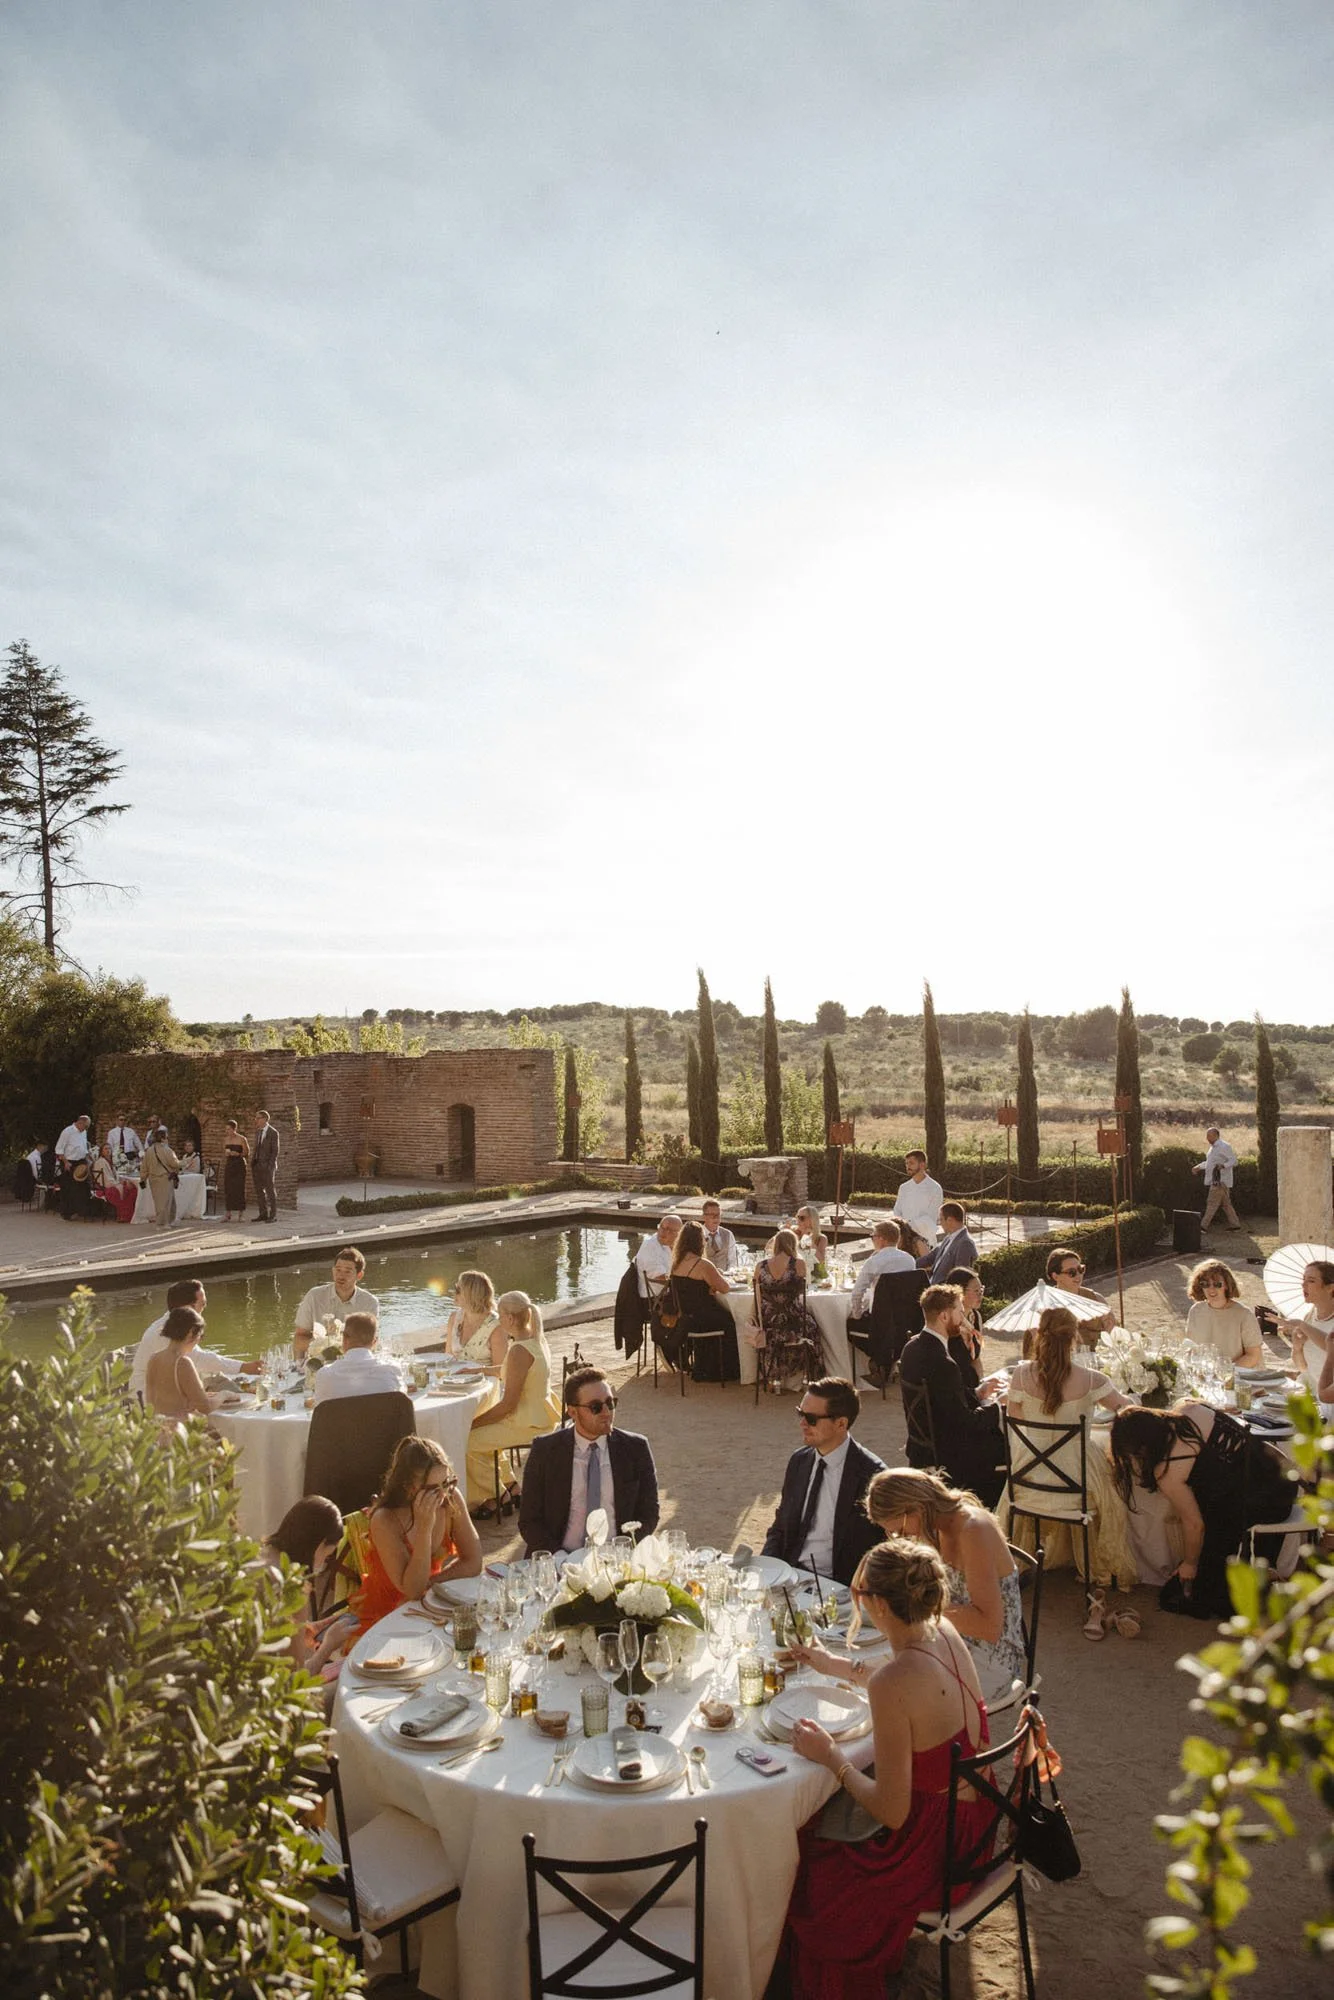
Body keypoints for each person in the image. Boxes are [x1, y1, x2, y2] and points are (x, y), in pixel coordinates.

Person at [779, 1538, 994, 1997]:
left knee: (811, 1855)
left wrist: (830, 1757)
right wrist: (830, 1662)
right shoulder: (944, 1633)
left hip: (940, 1852)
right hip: (978, 1823)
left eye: (859, 1595)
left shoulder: (894, 1683)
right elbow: (893, 1672)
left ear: (877, 1603)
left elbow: (892, 1813)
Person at [1001, 1305, 1139, 1609]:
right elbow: (1126, 1409)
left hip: (1028, 1480)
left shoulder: (1021, 1375)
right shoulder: (1090, 1379)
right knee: (1113, 1487)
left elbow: (1015, 1423)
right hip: (1075, 1481)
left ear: (1040, 1335)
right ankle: (1099, 1568)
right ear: (1074, 1337)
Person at [1110, 1403, 1296, 1619]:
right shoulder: (1191, 1409)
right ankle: (1257, 1575)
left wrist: (1190, 1563)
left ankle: (1251, 1585)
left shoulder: (1167, 1470)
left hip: (1261, 1504)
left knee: (1198, 1593)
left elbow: (1195, 1525)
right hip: (1284, 1479)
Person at [862, 1468, 1026, 1705]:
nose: (897, 1536)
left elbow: (989, 1626)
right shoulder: (933, 1526)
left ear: (916, 1509)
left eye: (898, 1529)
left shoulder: (973, 1529)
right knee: (873, 1662)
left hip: (990, 1658)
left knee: (896, 1688)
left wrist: (917, 1606)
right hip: (947, 1638)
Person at [519, 1366, 660, 1554]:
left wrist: (624, 1550)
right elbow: (529, 1521)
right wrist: (559, 1558)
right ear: (573, 1412)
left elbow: (649, 1513)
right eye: (595, 1407)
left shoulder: (635, 1449)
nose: (606, 1412)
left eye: (610, 1403)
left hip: (616, 1557)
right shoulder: (545, 1451)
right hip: (559, 1557)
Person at [762, 1377, 886, 1586]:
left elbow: (881, 1548)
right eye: (800, 1413)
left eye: (811, 1418)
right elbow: (781, 1526)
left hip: (839, 1586)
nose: (802, 1423)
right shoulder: (799, 1461)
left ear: (841, 1423)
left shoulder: (872, 1476)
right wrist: (765, 1569)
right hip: (791, 1574)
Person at [352, 1437, 482, 1637]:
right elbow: (412, 1590)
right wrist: (424, 1529)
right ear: (409, 1487)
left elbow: (474, 1562)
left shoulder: (450, 1499)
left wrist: (433, 1583)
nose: (443, 1494)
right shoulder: (385, 1520)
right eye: (432, 1489)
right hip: (389, 1616)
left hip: (429, 1605)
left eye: (447, 1482)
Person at [897, 1283, 1007, 1508]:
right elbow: (965, 1422)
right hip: (948, 1455)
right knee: (1006, 1450)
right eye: (959, 1311)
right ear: (945, 1316)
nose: (962, 1318)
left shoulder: (911, 1347)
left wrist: (977, 1392)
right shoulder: (944, 1362)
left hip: (921, 1445)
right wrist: (998, 1407)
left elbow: (941, 1395)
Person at [464, 1290, 561, 1513]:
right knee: (484, 1434)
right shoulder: (535, 1340)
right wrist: (480, 1370)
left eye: (499, 1315)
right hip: (539, 1415)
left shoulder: (519, 1350)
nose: (497, 1320)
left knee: (468, 1441)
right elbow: (511, 1370)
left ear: (509, 1318)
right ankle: (510, 1485)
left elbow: (508, 1405)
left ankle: (498, 1496)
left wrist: (473, 1423)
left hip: (527, 1423)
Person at [129, 1279, 254, 1401]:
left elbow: (200, 1360)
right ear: (188, 1307)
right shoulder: (163, 1332)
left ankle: (241, 1389)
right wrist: (243, 1367)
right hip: (146, 1399)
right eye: (203, 1305)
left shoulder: (175, 1324)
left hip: (166, 1390)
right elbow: (199, 1359)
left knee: (218, 1378)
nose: (204, 1309)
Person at [263, 1495, 345, 1663]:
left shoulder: (260, 1554)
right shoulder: (292, 1585)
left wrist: (302, 1628)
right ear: (320, 1544)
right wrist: (328, 1646)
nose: (323, 1563)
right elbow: (293, 1679)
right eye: (327, 1556)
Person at [665, 1219, 739, 1381]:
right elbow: (725, 1288)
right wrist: (713, 1284)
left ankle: (704, 1365)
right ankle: (725, 1370)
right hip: (705, 1318)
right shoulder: (703, 1264)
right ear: (699, 1241)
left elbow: (693, 1288)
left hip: (688, 1317)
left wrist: (710, 1286)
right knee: (735, 1321)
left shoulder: (676, 1263)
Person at [143, 1306, 240, 1424]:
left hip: (156, 1428)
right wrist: (225, 1394)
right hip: (178, 1432)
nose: (199, 1340)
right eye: (200, 1335)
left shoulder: (154, 1358)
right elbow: (205, 1407)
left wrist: (194, 1398)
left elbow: (153, 1400)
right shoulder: (182, 1363)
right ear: (190, 1333)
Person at [754, 1228, 824, 1383]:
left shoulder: (760, 1266)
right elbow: (804, 1290)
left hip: (770, 1322)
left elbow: (757, 1294)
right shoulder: (798, 1264)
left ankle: (772, 1373)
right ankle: (812, 1374)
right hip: (794, 1321)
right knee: (814, 1327)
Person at [293, 1249, 379, 1361]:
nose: (341, 1276)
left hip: (353, 1364)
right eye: (338, 1270)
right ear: (333, 1271)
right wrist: (323, 1347)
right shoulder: (314, 1296)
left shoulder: (369, 1302)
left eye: (347, 1271)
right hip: (318, 1364)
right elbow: (299, 1339)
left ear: (359, 1275)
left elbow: (371, 1344)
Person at [1184, 1261, 1263, 1368]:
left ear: (1226, 1285)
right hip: (1207, 1374)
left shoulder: (1244, 1315)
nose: (1211, 1289)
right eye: (1205, 1284)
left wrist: (1226, 1371)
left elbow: (1253, 1355)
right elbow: (1191, 1348)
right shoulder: (1196, 1311)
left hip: (1240, 1376)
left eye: (1217, 1284)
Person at [1272, 1256, 1334, 1394]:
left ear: (1330, 1287)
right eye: (1303, 1280)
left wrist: (1301, 1325)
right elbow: (1303, 1368)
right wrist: (1297, 1347)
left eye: (1311, 1281)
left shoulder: (1306, 1323)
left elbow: (1331, 1345)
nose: (1303, 1285)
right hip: (1308, 1391)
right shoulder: (1310, 1315)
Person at [311, 1312, 405, 1402]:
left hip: (342, 1418)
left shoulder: (325, 1375)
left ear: (344, 1339)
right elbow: (401, 1404)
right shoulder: (392, 1370)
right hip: (381, 1418)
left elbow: (320, 1410)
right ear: (374, 1342)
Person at [847, 1219, 917, 1326]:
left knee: (846, 1321)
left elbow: (857, 1293)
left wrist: (857, 1315)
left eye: (873, 1237)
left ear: (881, 1239)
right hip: (905, 1317)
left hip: (879, 1318)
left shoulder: (874, 1262)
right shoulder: (910, 1259)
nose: (872, 1240)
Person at [1045, 1244, 1115, 1334]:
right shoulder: (1046, 1306)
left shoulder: (1097, 1299)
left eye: (1080, 1269)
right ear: (1055, 1276)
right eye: (1071, 1272)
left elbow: (1115, 1335)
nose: (1078, 1275)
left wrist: (1110, 1326)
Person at [442, 1269, 503, 1369]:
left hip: (485, 1382)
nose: (454, 1293)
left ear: (471, 1294)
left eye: (458, 1290)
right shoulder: (454, 1318)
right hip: (455, 1381)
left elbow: (500, 1370)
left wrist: (471, 1374)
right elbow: (447, 1358)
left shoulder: (496, 1326)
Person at [1193, 1126, 1241, 1233]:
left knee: (1211, 1203)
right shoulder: (1213, 1148)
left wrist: (1223, 1166)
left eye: (1209, 1136)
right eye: (1207, 1136)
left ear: (1216, 1135)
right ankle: (1235, 1225)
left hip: (1219, 1181)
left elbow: (1234, 1161)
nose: (1207, 1138)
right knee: (1226, 1204)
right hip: (1219, 1181)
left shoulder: (1224, 1146)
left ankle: (1202, 1227)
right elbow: (1210, 1163)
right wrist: (1198, 1167)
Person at [945, 1267, 986, 1389]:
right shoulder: (947, 1322)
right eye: (976, 1291)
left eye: (981, 1290)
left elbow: (976, 1359)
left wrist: (981, 1384)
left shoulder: (975, 1317)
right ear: (960, 1293)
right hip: (952, 1386)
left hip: (970, 1385)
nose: (981, 1295)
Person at [892, 1148, 943, 1249]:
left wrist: (908, 1227)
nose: (908, 1166)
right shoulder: (904, 1187)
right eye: (906, 1163)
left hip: (925, 1240)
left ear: (922, 1165)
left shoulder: (935, 1188)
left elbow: (931, 1218)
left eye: (911, 1163)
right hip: (904, 1241)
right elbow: (897, 1211)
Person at [142, 1126, 182, 1230]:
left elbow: (144, 1167)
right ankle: (165, 1223)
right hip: (165, 1178)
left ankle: (162, 1222)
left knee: (158, 1202)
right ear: (163, 1139)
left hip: (153, 1179)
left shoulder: (149, 1151)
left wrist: (143, 1179)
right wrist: (185, 1162)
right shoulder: (167, 1150)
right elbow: (175, 1164)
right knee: (166, 1202)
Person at [927, 1201, 979, 1280]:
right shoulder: (949, 1237)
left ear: (950, 1220)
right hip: (932, 1285)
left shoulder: (965, 1243)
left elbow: (960, 1278)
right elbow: (930, 1257)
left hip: (943, 1290)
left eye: (941, 1220)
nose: (940, 1224)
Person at [635, 1213, 682, 1298]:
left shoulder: (674, 1245)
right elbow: (660, 1277)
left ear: (679, 1234)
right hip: (654, 1300)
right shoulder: (650, 1246)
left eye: (669, 1229)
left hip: (669, 1296)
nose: (662, 1232)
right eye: (661, 1227)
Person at [251, 1109, 280, 1222]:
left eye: (258, 1118)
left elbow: (275, 1151)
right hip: (257, 1165)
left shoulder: (273, 1132)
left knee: (270, 1191)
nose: (256, 1120)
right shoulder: (258, 1131)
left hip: (267, 1166)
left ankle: (273, 1215)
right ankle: (262, 1213)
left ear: (264, 1119)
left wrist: (270, 1166)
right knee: (259, 1191)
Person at [221, 1118, 250, 1221]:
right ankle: (228, 1214)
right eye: (226, 1129)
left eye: (229, 1129)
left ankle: (241, 1215)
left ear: (234, 1129)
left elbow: (247, 1153)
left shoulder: (242, 1139)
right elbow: (224, 1152)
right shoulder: (226, 1139)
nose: (227, 1131)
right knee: (228, 1188)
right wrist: (228, 1153)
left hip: (239, 1165)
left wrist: (238, 1154)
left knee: (239, 1188)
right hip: (230, 1164)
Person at [700, 1198, 737, 1273]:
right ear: (704, 1216)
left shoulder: (728, 1234)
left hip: (724, 1278)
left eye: (718, 1215)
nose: (716, 1218)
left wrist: (728, 1273)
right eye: (712, 1215)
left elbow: (732, 1262)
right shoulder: (697, 1234)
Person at [791, 1205, 830, 1271]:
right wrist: (781, 1233)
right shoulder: (792, 1234)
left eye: (802, 1218)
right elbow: (769, 1249)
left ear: (812, 1220)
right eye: (797, 1217)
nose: (798, 1221)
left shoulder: (821, 1238)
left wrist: (809, 1240)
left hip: (811, 1274)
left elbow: (821, 1262)